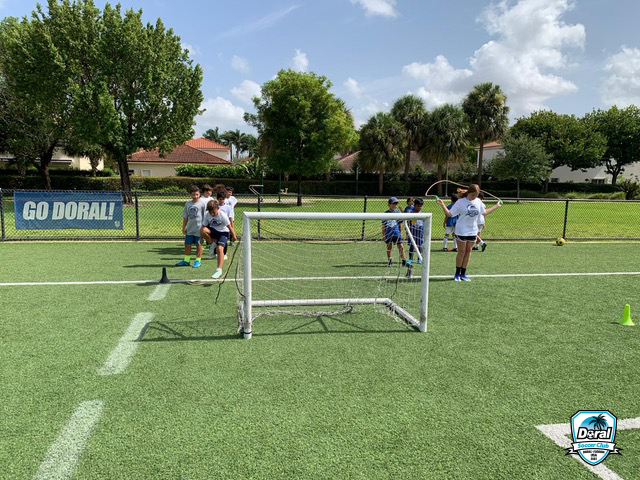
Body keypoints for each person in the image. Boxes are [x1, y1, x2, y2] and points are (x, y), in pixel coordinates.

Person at [436, 185, 502, 282]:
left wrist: (497, 206)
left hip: (473, 230)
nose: (474, 197)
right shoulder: (460, 202)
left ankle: (463, 274)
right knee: (461, 252)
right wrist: (442, 205)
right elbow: (450, 214)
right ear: (468, 193)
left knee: (468, 251)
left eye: (476, 195)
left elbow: (484, 213)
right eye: (473, 195)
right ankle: (457, 274)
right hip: (461, 230)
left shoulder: (478, 201)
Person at [201, 199, 236, 279]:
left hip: (223, 232)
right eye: (210, 212)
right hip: (214, 231)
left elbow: (229, 226)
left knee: (219, 249)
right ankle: (212, 244)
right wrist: (201, 238)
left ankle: (219, 270)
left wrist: (234, 236)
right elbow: (203, 227)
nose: (212, 214)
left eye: (214, 212)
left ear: (218, 208)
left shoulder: (222, 215)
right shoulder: (207, 215)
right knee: (202, 229)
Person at [176, 185, 206, 268]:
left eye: (197, 194)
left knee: (199, 245)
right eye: (193, 194)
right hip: (190, 229)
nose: (195, 196)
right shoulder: (188, 204)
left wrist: (204, 228)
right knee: (187, 244)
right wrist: (184, 227)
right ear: (190, 194)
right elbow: (185, 217)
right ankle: (186, 260)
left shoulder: (203, 204)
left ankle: (198, 261)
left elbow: (206, 217)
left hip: (199, 229)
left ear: (199, 194)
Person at [382, 197, 407, 267]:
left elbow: (400, 224)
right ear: (389, 204)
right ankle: (389, 261)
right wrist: (383, 235)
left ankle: (404, 260)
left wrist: (400, 232)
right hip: (388, 234)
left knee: (401, 246)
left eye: (395, 204)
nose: (394, 205)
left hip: (396, 233)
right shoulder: (386, 213)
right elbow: (383, 225)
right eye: (393, 204)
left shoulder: (397, 212)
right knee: (389, 247)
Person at [406, 197, 425, 268]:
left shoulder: (422, 214)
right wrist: (407, 232)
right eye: (418, 206)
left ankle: (419, 258)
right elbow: (408, 223)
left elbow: (424, 223)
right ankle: (410, 259)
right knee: (412, 245)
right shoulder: (411, 213)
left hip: (420, 231)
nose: (419, 208)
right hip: (412, 231)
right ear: (414, 205)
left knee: (420, 245)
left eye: (420, 206)